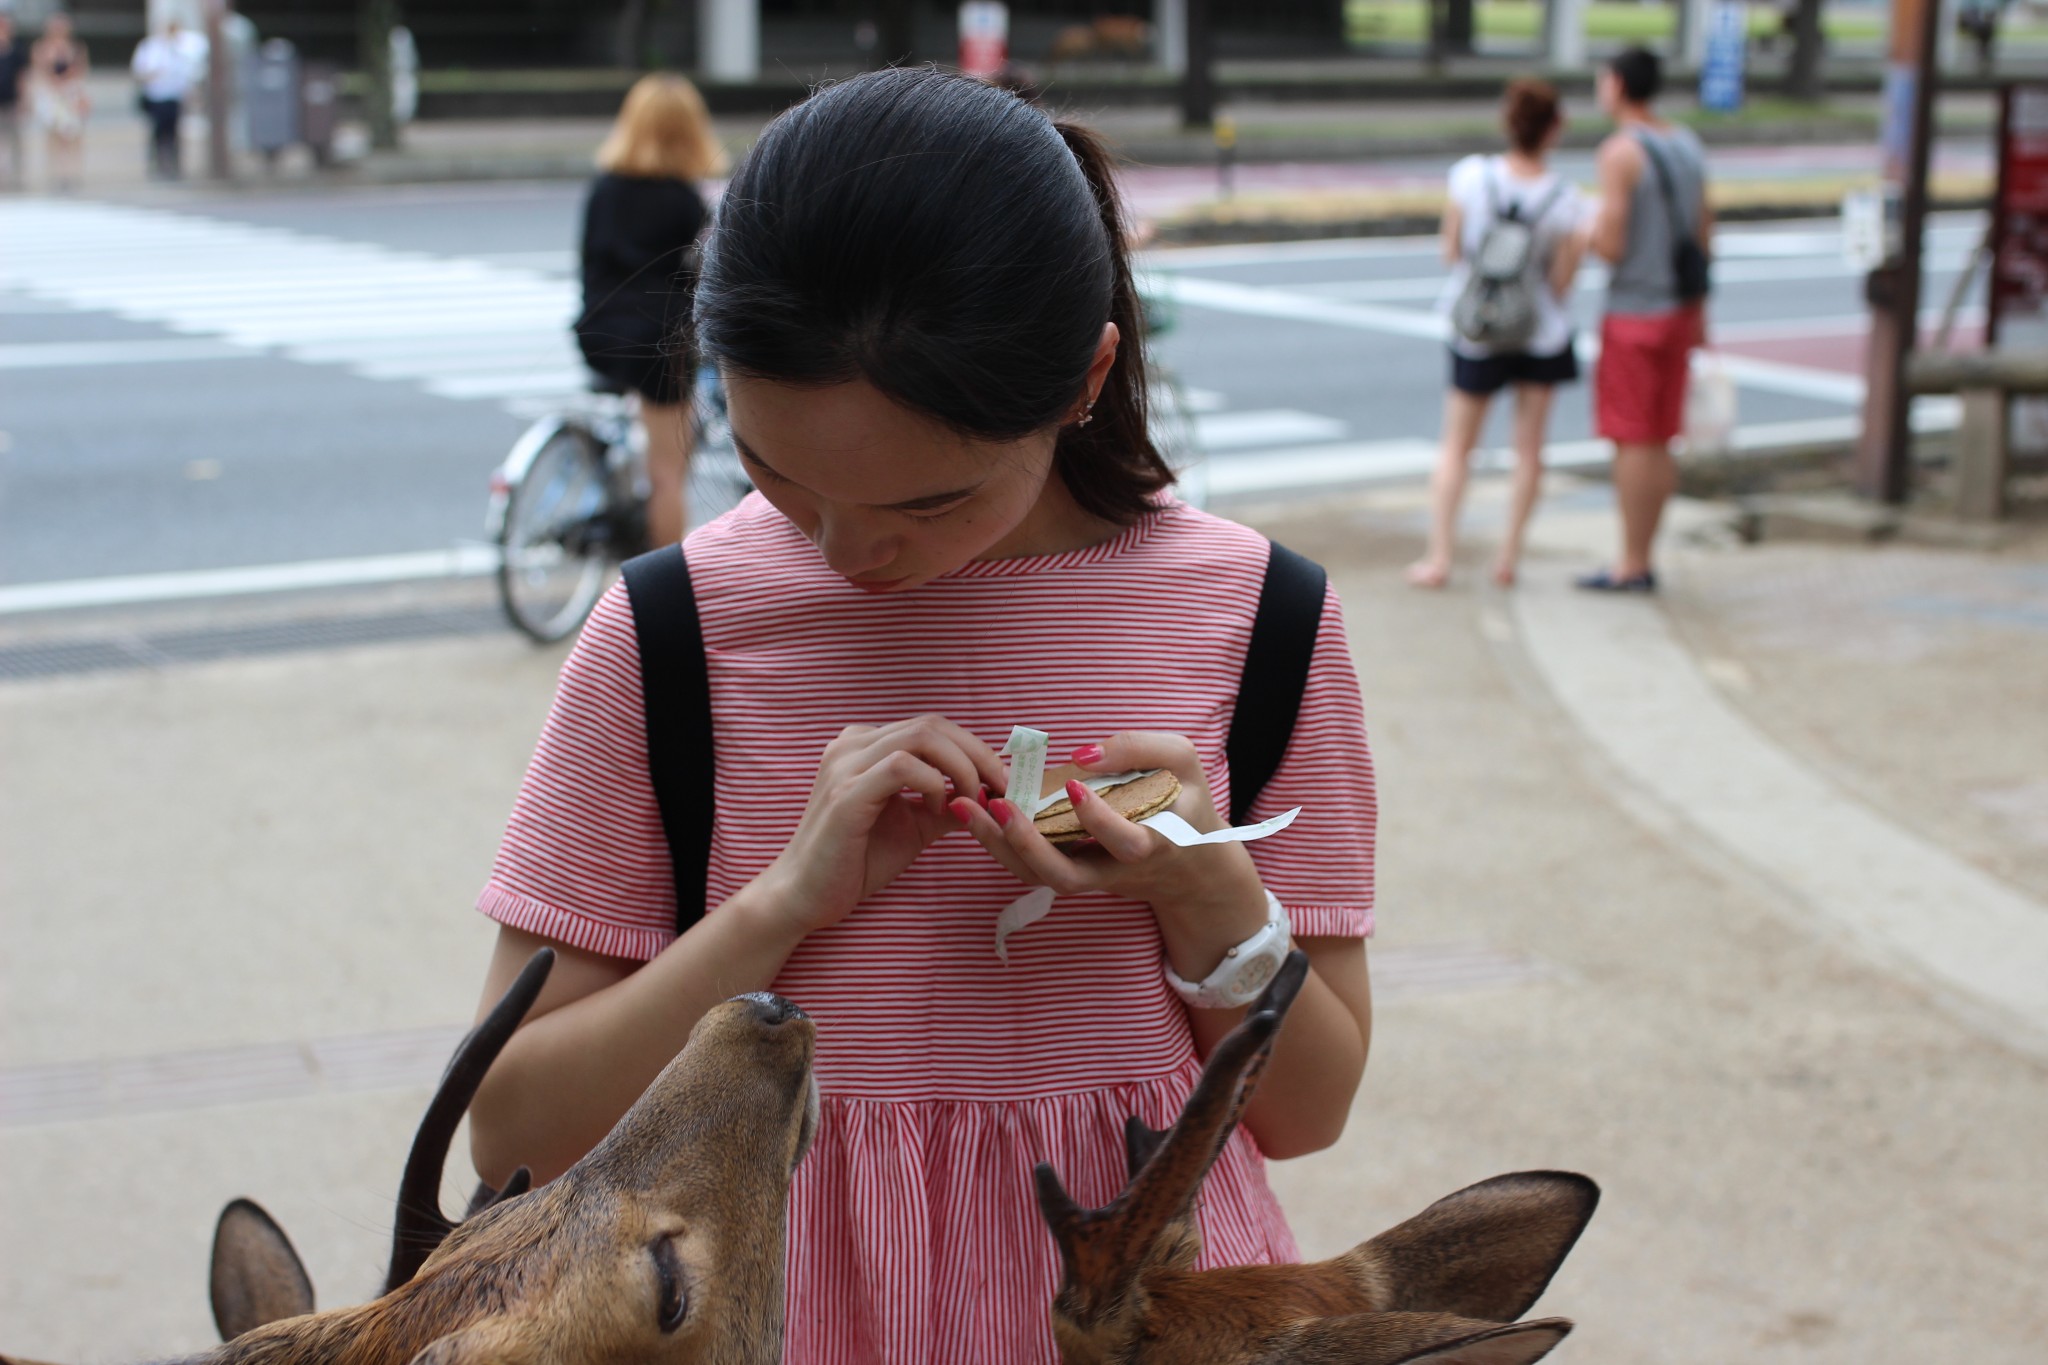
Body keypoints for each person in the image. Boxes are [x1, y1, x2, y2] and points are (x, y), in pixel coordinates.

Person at [467, 68, 1377, 1363]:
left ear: (1087, 377)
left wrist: (1203, 891)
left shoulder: (1260, 617)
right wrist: (782, 904)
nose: (848, 552)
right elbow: (511, 1128)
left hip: (1136, 1325)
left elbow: (1307, 1111)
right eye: (774, 472)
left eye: (930, 503)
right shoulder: (670, 632)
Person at [1408, 78, 1586, 591]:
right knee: (1529, 450)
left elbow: (1451, 252)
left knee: (1457, 446)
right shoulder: (1569, 201)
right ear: (1555, 129)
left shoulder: (1470, 177)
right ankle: (1507, 558)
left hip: (1478, 328)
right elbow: (1562, 282)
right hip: (1541, 332)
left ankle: (1439, 558)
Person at [574, 72, 727, 550]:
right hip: (657, 342)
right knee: (667, 475)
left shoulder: (604, 188)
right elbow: (701, 281)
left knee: (638, 429)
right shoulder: (683, 202)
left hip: (597, 333)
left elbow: (588, 265)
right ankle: (657, 580)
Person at [1582, 46, 1710, 593]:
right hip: (1680, 307)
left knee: (1631, 437)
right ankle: (1645, 553)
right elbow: (1706, 229)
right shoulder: (1686, 143)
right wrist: (1701, 308)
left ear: (1615, 85)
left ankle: (1630, 561)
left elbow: (1611, 243)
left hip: (1634, 310)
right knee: (1661, 436)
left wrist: (1582, 230)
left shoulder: (1620, 152)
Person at [129, 19, 202, 180]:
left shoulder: (182, 48)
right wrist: (153, 75)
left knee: (174, 131)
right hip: (156, 96)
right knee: (158, 131)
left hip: (174, 96)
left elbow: (189, 72)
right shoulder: (150, 47)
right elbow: (139, 71)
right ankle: (157, 164)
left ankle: (174, 165)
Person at [29, 10, 89, 192]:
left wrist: (77, 93)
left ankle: (72, 173)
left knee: (72, 136)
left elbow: (82, 72)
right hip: (51, 95)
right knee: (53, 136)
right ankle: (55, 174)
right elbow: (39, 71)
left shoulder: (76, 47)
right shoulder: (42, 48)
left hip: (70, 94)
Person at [0, 13, 26, 191]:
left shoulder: (16, 49)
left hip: (11, 99)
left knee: (14, 136)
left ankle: (15, 174)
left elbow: (21, 76)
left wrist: (23, 99)